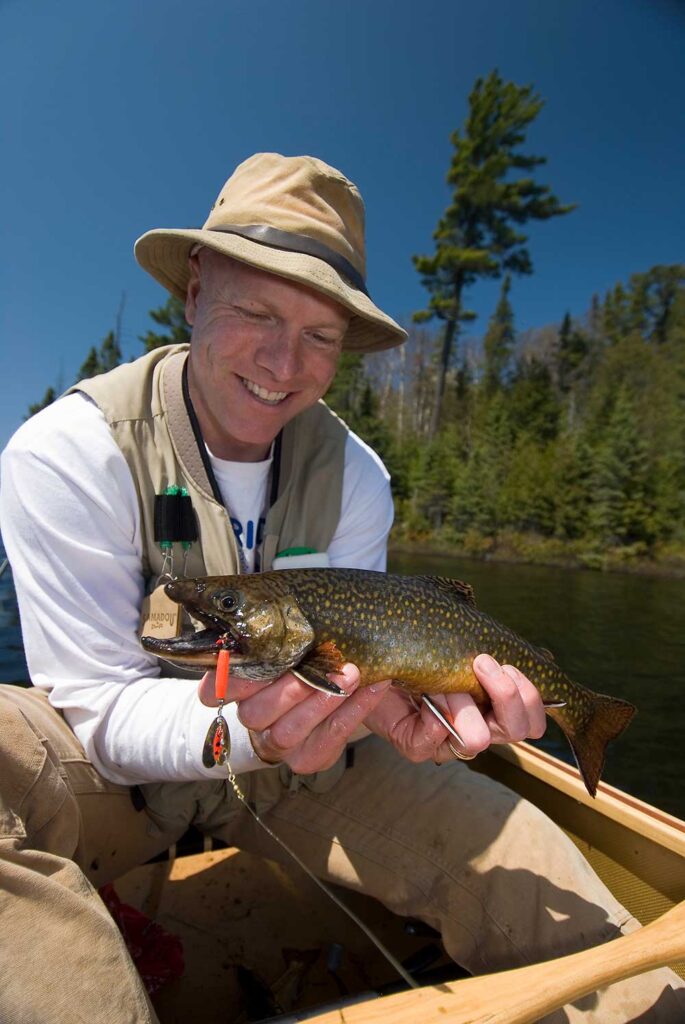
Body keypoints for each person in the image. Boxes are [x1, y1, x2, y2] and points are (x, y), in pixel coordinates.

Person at [0, 152, 682, 1024]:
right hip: (115, 778)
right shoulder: (69, 451)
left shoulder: (357, 477)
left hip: (318, 751)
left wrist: (419, 716)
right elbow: (94, 706)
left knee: (523, 859)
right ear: (195, 289)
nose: (285, 363)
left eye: (321, 336)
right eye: (257, 311)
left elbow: (380, 658)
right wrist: (245, 734)